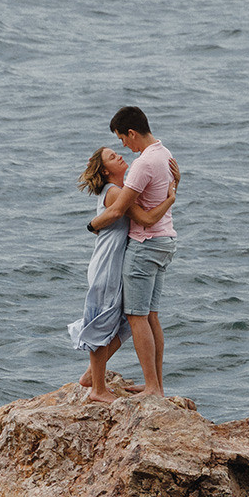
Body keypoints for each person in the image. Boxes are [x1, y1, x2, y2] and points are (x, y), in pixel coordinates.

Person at [71, 134, 177, 401]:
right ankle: (97, 389)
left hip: (114, 262)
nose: (119, 155)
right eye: (111, 156)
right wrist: (171, 198)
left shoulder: (119, 191)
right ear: (106, 171)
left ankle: (91, 374)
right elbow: (147, 218)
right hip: (107, 264)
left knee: (125, 324)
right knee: (102, 320)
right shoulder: (116, 193)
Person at [109, 105, 178, 396]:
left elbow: (119, 209)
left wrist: (92, 224)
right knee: (151, 315)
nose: (124, 146)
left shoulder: (143, 164)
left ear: (132, 133)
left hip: (145, 245)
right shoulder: (165, 153)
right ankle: (157, 385)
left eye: (122, 139)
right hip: (165, 241)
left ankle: (151, 386)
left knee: (137, 317)